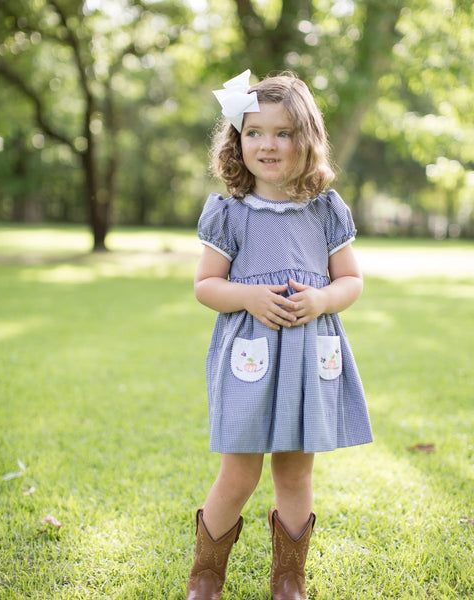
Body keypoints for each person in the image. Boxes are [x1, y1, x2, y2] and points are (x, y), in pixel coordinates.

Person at [185, 70, 373, 600]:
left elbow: (351, 280)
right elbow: (206, 286)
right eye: (254, 132)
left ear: (306, 139)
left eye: (283, 132)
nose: (268, 144)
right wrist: (247, 295)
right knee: (239, 475)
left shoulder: (324, 210)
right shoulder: (230, 212)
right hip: (249, 357)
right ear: (236, 141)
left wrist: (322, 300)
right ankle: (205, 577)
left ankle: (289, 579)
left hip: (309, 356)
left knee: (294, 474)